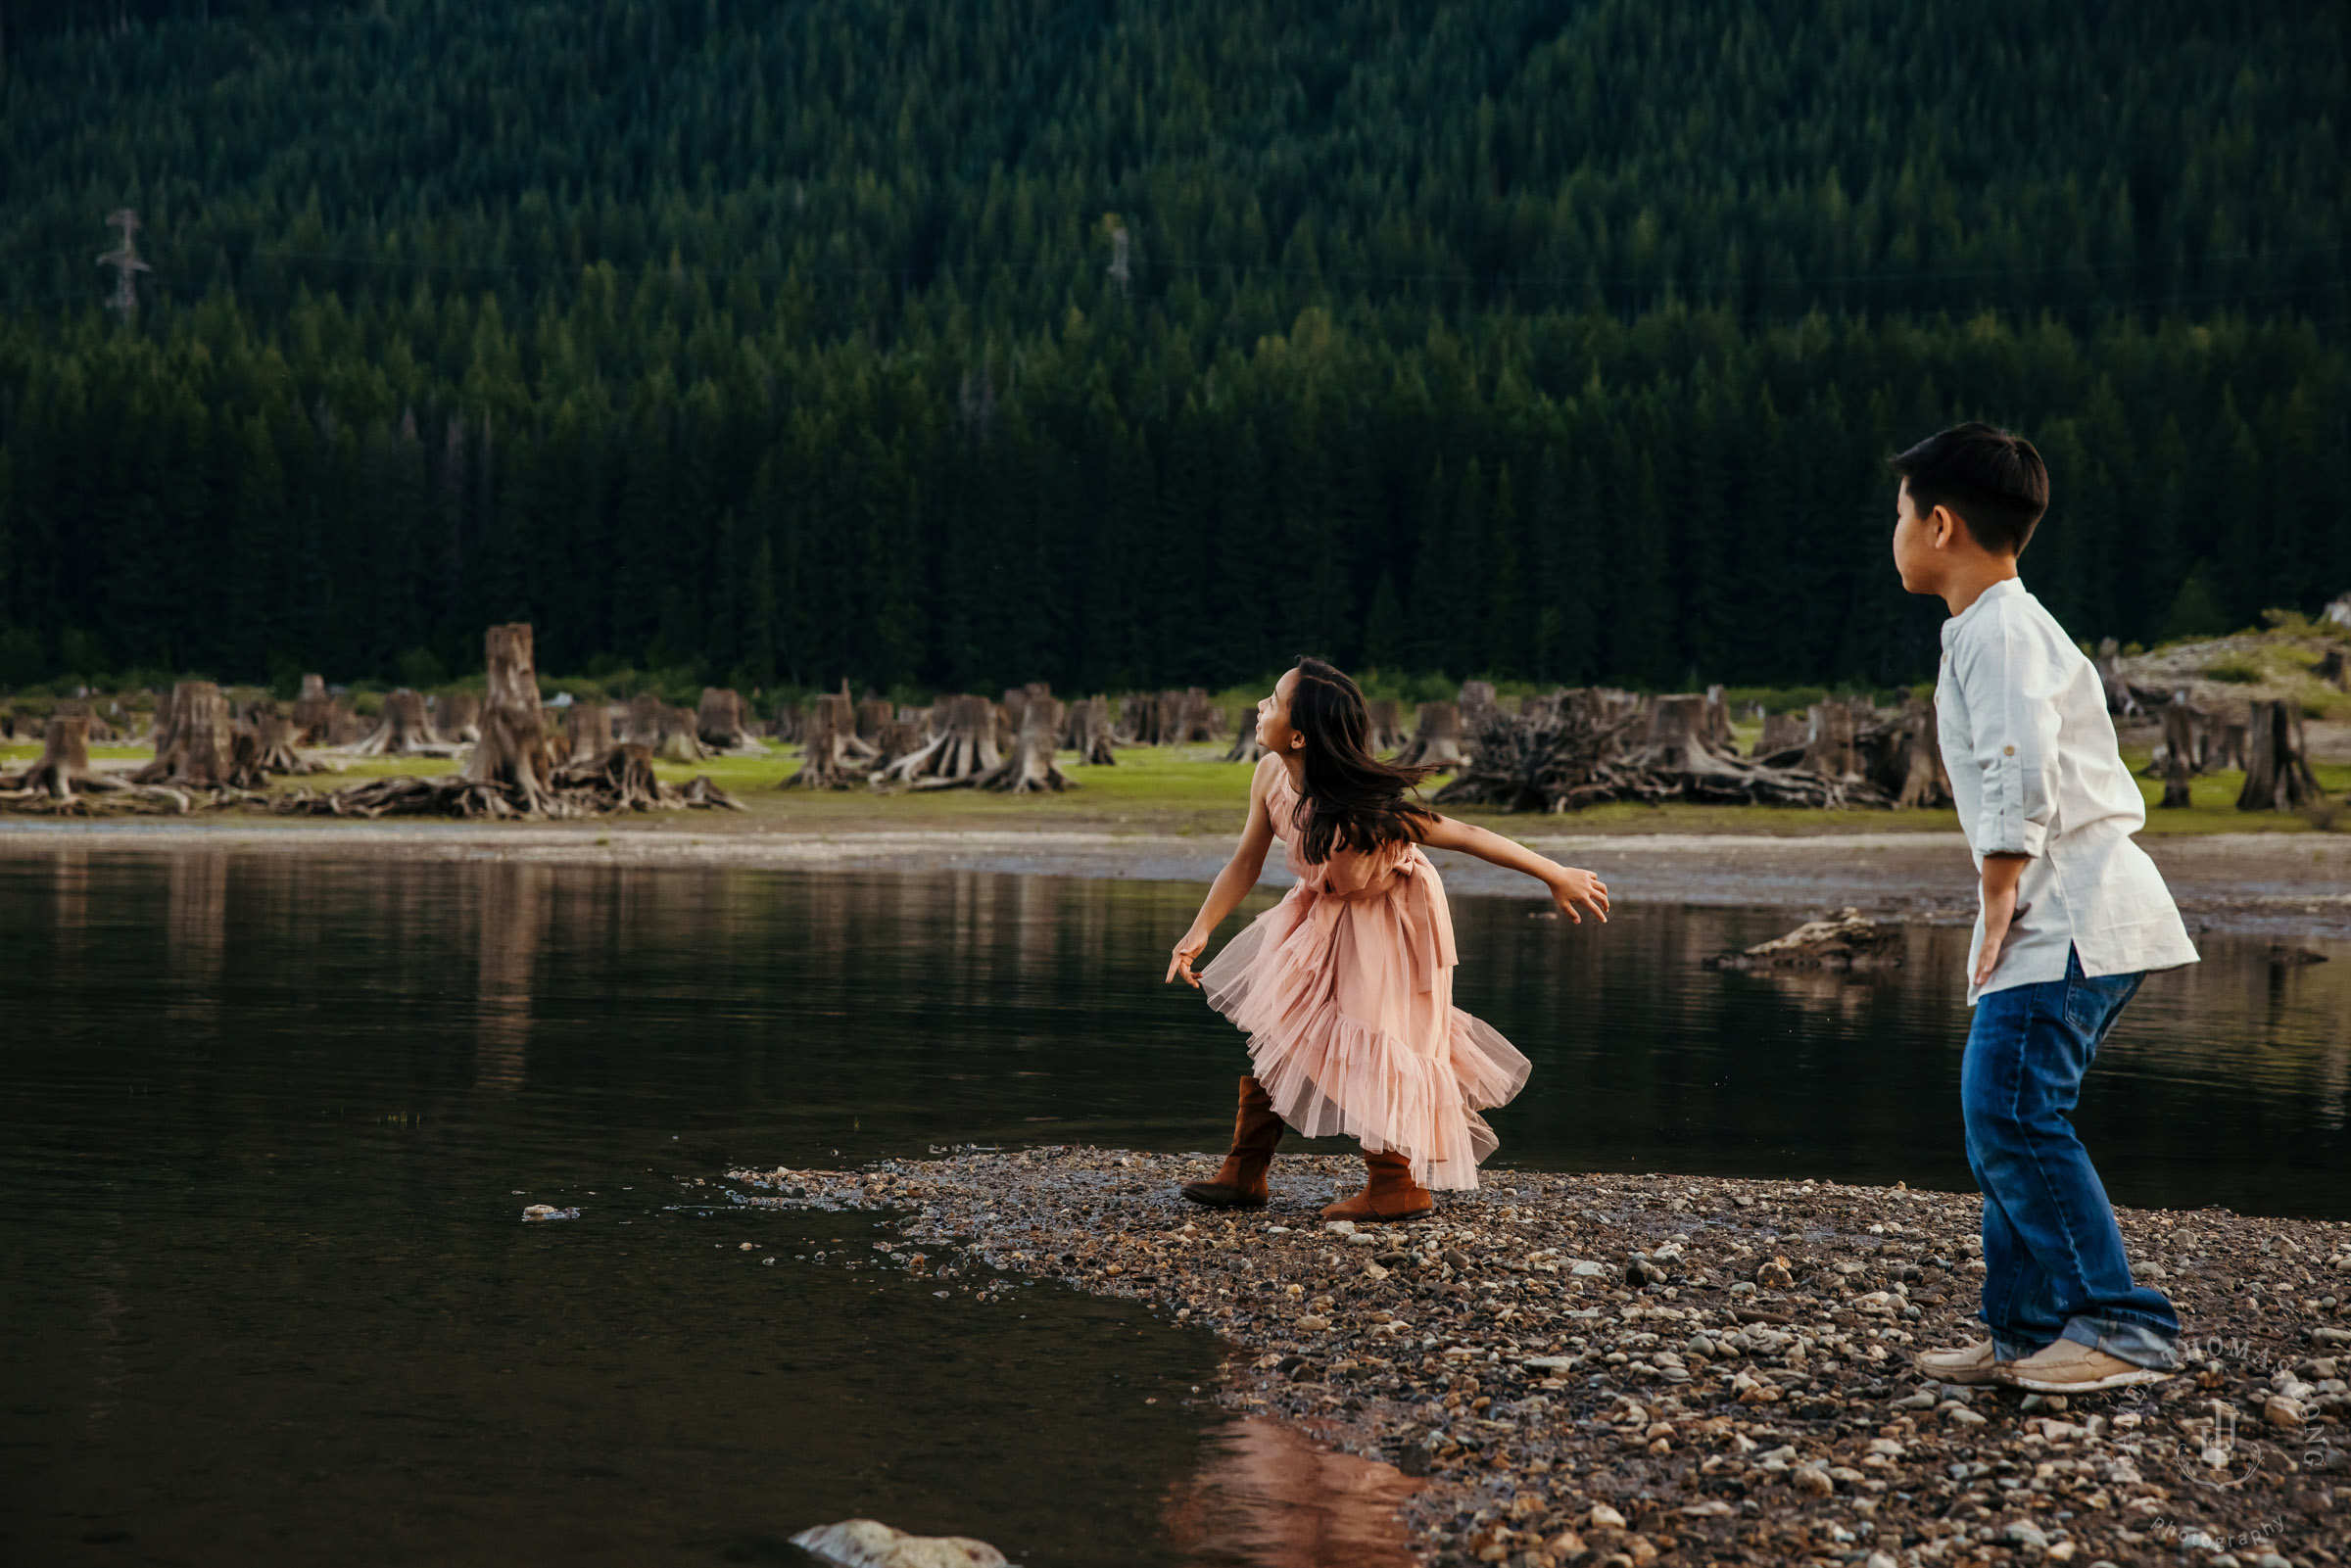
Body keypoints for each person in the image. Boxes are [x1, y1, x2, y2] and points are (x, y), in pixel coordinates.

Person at [1890, 422, 2199, 1395]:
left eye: (1898, 516)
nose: (1891, 533)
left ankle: (2121, 1325)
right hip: (2056, 910)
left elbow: (2016, 755)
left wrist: (2000, 880)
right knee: (2004, 1116)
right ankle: (2022, 1327)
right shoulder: (1990, 626)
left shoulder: (2003, 630)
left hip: (2067, 910)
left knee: (2015, 1112)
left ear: (1941, 523)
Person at [1164, 657, 1610, 1221]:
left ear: (1299, 734)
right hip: (1324, 906)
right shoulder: (1269, 777)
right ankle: (1245, 1171)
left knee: (1382, 1036)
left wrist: (1555, 873)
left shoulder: (1364, 809)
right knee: (1286, 1021)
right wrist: (1199, 928)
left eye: (1273, 701)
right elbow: (1245, 861)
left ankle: (1395, 1184)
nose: (1260, 706)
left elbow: (1466, 835)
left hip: (1393, 918)